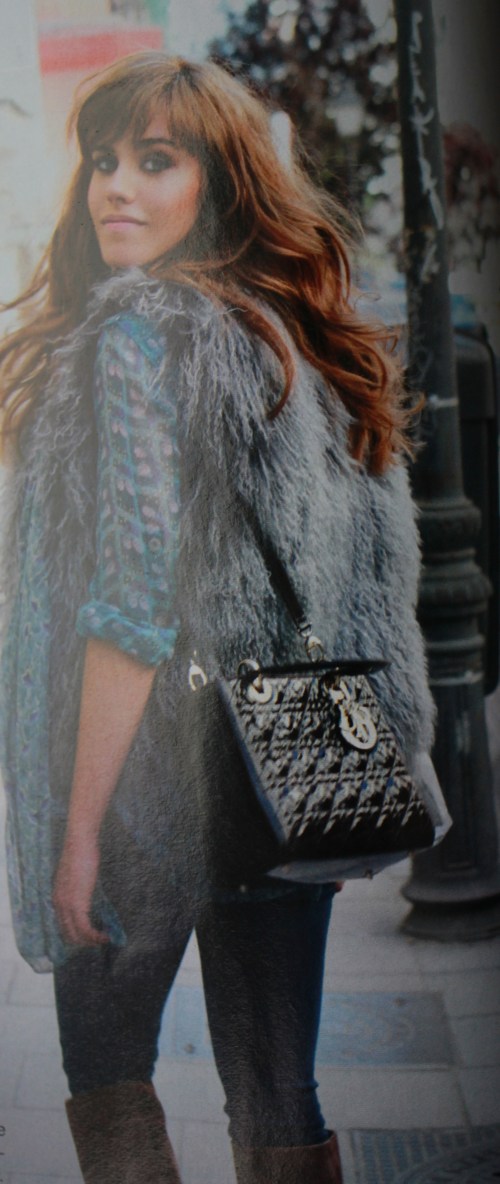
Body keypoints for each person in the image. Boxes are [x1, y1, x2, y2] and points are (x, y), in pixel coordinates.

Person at [0, 53, 436, 1184]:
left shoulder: (138, 335)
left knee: (108, 1075)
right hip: (282, 764)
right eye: (104, 159)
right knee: (280, 1091)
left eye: (157, 160)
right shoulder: (288, 332)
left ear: (221, 183)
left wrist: (76, 832)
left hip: (146, 785)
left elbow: (131, 604)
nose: (116, 186)